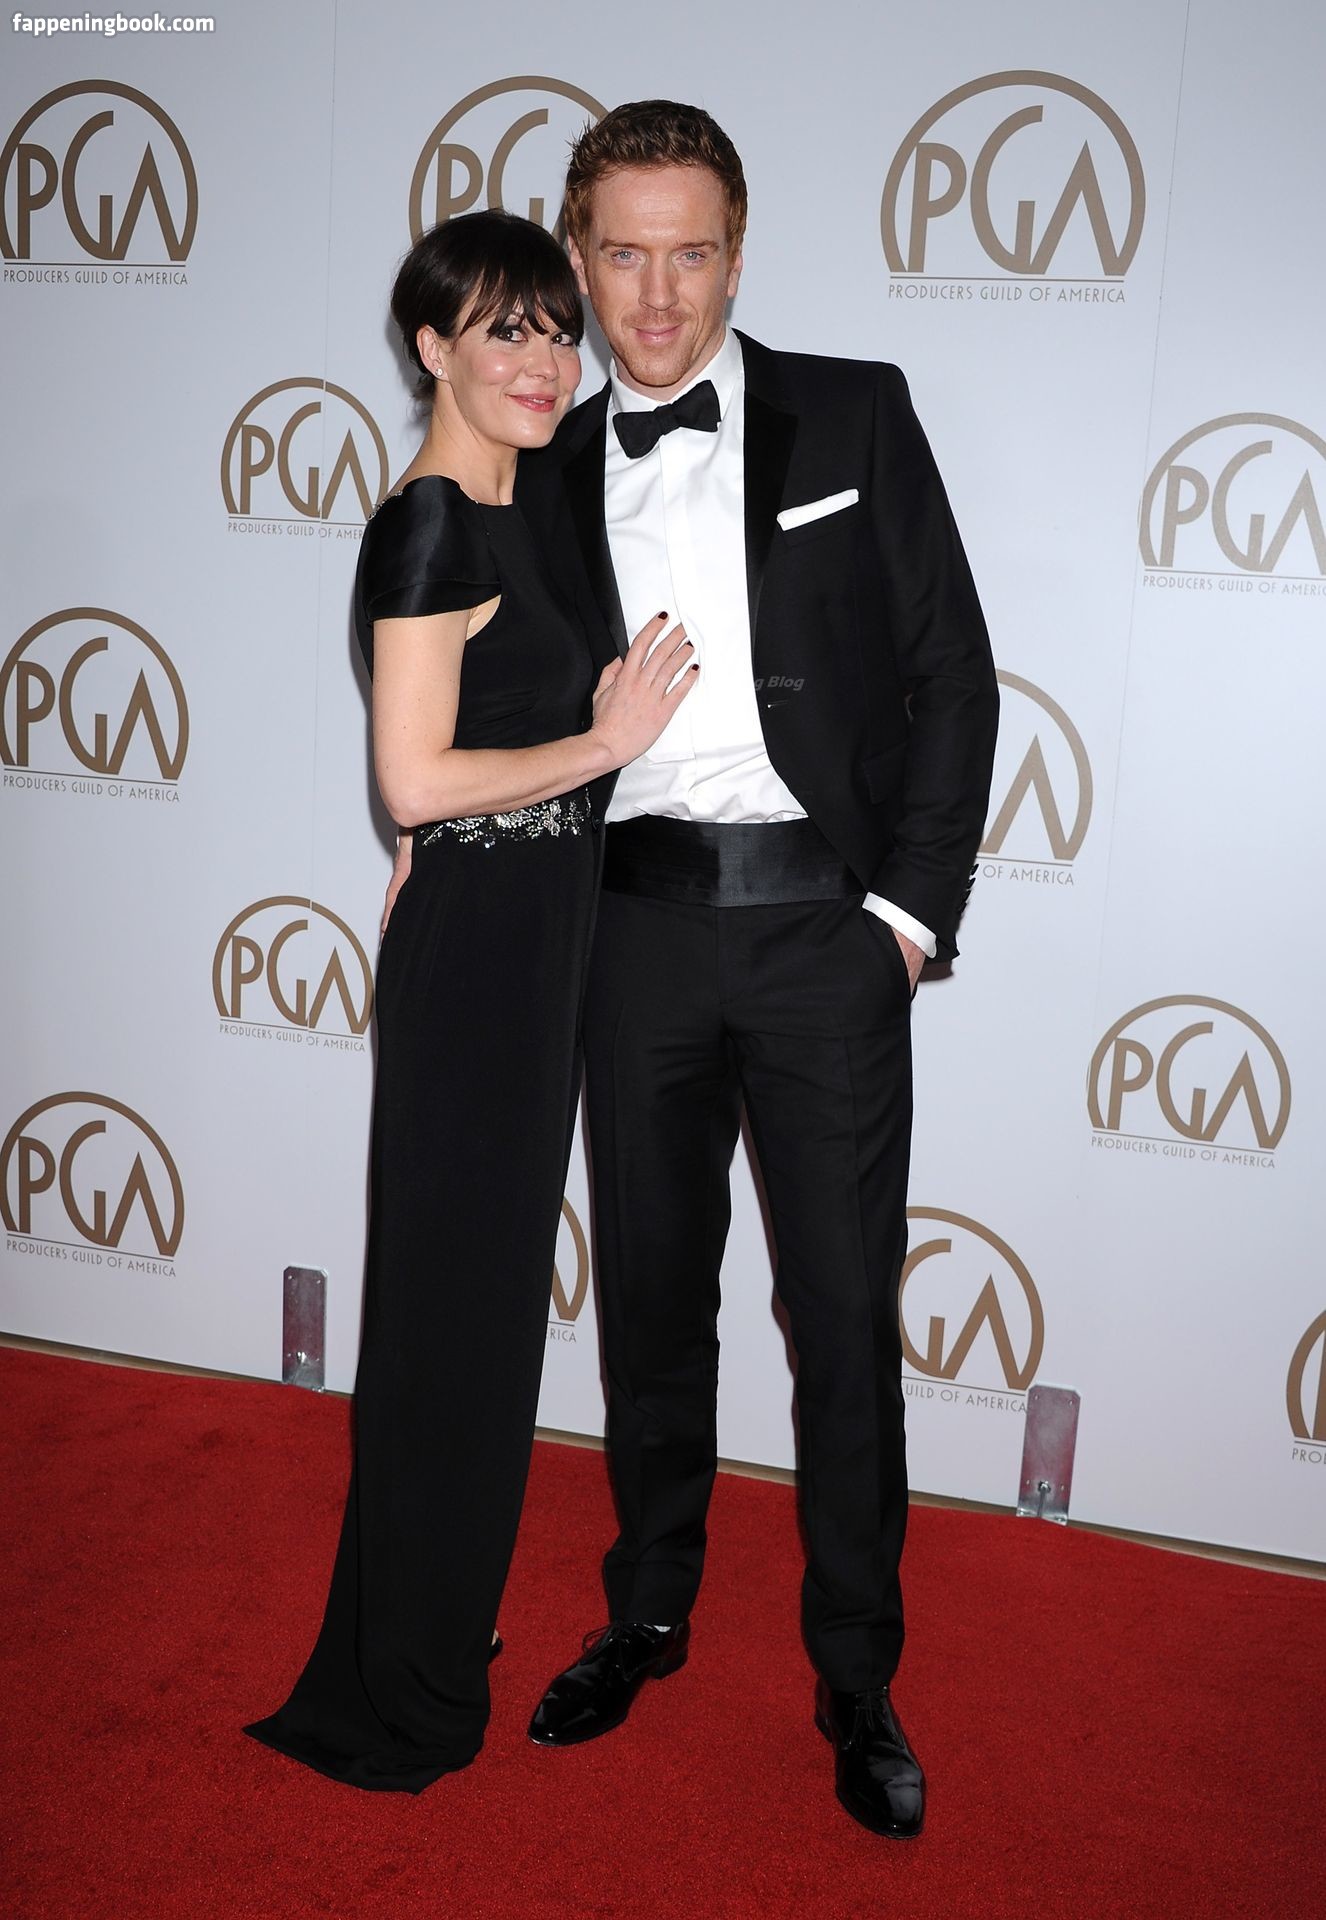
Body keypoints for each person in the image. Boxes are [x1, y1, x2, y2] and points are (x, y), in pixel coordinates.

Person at [518, 103, 999, 1841]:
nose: (656, 296)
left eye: (690, 253)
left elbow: (952, 674)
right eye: (622, 254)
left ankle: (856, 1671)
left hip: (821, 939)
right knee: (652, 1303)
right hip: (632, 937)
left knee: (842, 1320)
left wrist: (903, 922)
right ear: (579, 262)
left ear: (736, 254)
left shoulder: (853, 411)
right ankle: (646, 1609)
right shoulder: (537, 464)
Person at [244, 208, 695, 1792]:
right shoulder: (429, 521)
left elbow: (454, 761)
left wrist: (494, 811)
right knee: (453, 1316)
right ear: (432, 348)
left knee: (485, 1316)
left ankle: (426, 1618)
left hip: (536, 924)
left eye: (557, 331)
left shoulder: (526, 505)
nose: (544, 360)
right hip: (484, 953)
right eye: (506, 330)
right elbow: (416, 778)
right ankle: (406, 1675)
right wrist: (600, 744)